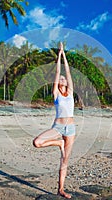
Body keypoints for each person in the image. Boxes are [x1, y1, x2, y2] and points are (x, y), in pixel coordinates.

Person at [33, 42, 75, 199]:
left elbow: (68, 71)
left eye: (64, 79)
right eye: (61, 79)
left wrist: (65, 55)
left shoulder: (70, 92)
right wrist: (58, 55)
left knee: (65, 160)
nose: (63, 79)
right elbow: (58, 72)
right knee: (37, 142)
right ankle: (58, 143)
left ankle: (61, 189)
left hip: (71, 129)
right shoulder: (56, 94)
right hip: (57, 126)